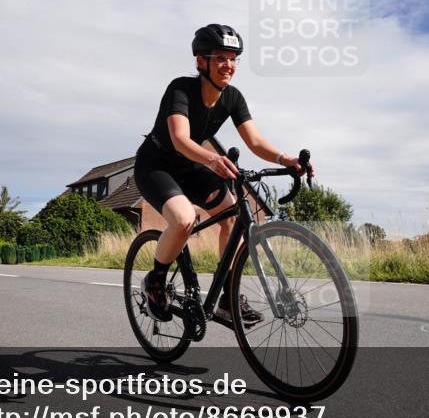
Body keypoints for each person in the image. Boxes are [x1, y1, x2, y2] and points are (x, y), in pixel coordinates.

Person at [134, 24, 313, 323]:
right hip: (156, 166)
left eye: (233, 58)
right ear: (200, 61)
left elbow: (255, 142)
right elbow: (180, 139)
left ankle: (228, 298)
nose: (227, 65)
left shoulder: (232, 98)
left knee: (232, 214)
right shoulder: (180, 89)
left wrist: (286, 159)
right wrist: (212, 159)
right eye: (219, 57)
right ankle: (155, 281)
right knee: (184, 219)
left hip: (191, 167)